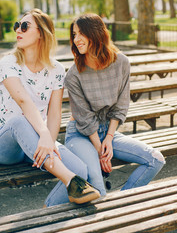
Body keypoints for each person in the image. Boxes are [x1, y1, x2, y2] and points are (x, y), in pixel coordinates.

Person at [0, 9, 100, 207]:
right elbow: (24, 102)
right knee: (19, 121)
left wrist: (50, 141)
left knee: (80, 169)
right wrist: (45, 135)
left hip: (36, 141)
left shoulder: (56, 69)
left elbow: (55, 112)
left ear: (41, 32)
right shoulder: (8, 63)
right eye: (17, 26)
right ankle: (71, 180)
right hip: (3, 145)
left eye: (24, 26)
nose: (18, 31)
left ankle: (48, 215)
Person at [64, 13, 165, 197]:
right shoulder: (73, 75)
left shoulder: (122, 63)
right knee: (96, 182)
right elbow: (85, 119)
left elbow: (121, 106)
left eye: (80, 34)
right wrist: (100, 150)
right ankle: (110, 215)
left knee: (155, 159)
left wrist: (109, 138)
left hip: (107, 132)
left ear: (95, 33)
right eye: (74, 34)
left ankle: (120, 204)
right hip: (81, 134)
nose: (76, 39)